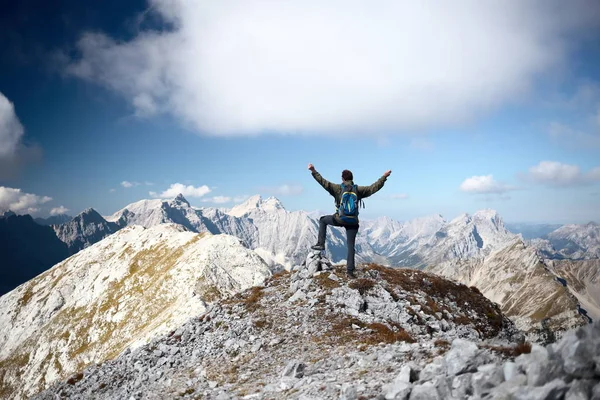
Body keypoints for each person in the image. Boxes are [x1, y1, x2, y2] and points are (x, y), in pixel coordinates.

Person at [308, 163, 391, 278]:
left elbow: (323, 182)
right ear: (352, 179)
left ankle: (320, 244)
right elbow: (374, 188)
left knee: (323, 220)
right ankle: (350, 272)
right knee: (350, 246)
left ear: (342, 179)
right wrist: (384, 177)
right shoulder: (358, 190)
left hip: (339, 219)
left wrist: (313, 171)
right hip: (353, 222)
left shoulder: (337, 188)